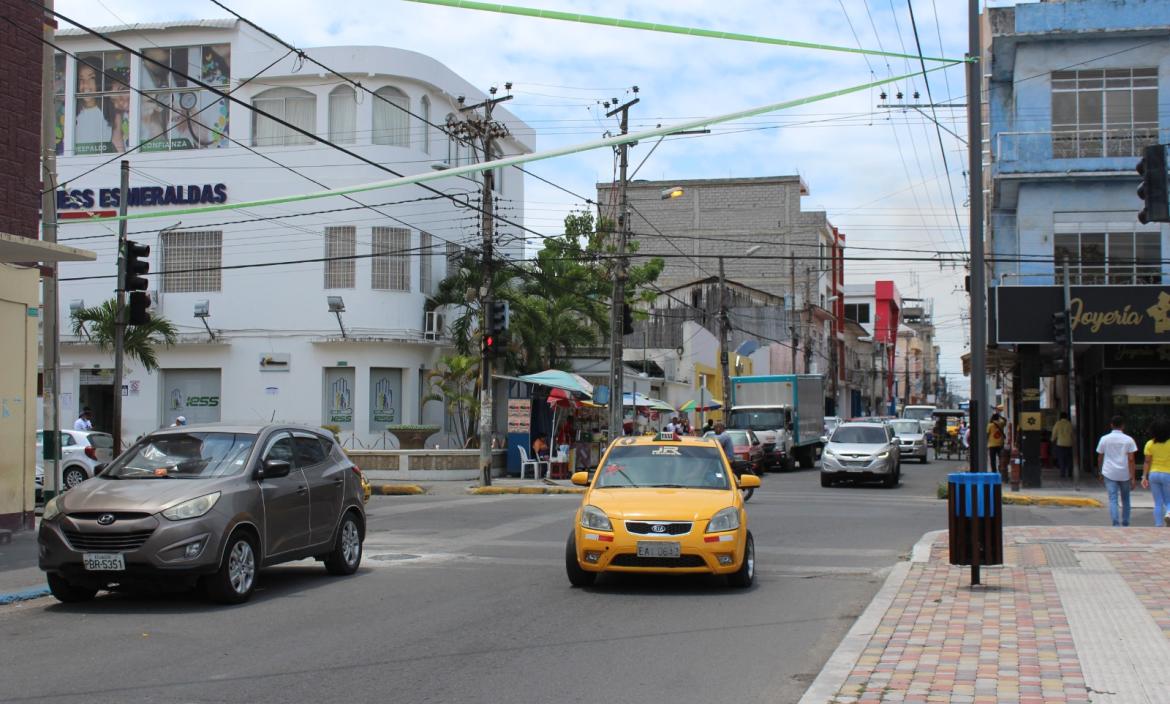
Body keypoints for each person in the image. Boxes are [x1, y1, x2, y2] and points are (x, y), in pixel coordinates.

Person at [1096, 415, 1137, 527]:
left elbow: (1100, 457)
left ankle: (1115, 523)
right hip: (1125, 473)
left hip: (1109, 472)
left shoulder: (1104, 439)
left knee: (1113, 499)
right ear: (1123, 426)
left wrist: (1100, 471)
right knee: (1126, 499)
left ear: (1111, 425)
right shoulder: (1129, 440)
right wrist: (1133, 477)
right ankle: (1126, 522)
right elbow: (1131, 459)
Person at [1139, 417, 1170, 526]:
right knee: (1168, 500)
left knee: (1157, 502)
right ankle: (1169, 513)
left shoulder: (1150, 444)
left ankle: (1158, 525)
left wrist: (1144, 477)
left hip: (1154, 474)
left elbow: (1147, 462)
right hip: (1168, 474)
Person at [1052, 412, 1074, 479]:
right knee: (1069, 459)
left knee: (1061, 459)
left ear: (1060, 417)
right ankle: (1070, 473)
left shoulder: (1057, 424)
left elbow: (1054, 433)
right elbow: (1072, 434)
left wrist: (1052, 440)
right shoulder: (1069, 424)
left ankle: (1062, 473)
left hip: (1060, 444)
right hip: (1069, 444)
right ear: (1066, 417)